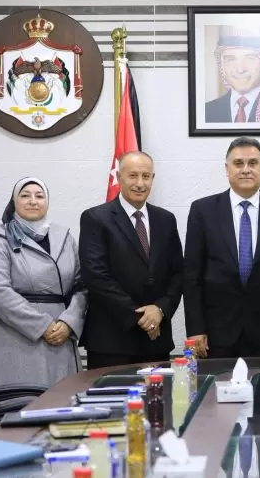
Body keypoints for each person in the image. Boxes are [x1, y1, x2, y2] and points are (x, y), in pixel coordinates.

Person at [184, 137, 260, 359]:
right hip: (216, 333)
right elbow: (191, 277)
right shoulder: (202, 211)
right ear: (227, 169)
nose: (246, 169)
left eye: (253, 163)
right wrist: (196, 328)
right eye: (238, 163)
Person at [78, 151, 184, 369]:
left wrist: (160, 309)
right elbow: (96, 276)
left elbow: (178, 273)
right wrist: (141, 317)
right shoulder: (96, 218)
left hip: (156, 340)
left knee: (159, 393)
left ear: (153, 179)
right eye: (133, 175)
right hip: (112, 341)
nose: (140, 183)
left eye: (146, 176)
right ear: (119, 177)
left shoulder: (166, 219)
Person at [0, 178, 88, 387]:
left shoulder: (65, 237)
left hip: (62, 333)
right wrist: (42, 325)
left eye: (39, 196)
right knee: (22, 401)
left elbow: (81, 286)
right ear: (14, 202)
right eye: (25, 195)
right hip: (15, 335)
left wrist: (69, 322)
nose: (33, 201)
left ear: (47, 202)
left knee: (62, 399)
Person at [204, 29, 260, 123]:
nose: (240, 69)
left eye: (250, 58)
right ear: (222, 65)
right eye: (231, 59)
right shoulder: (206, 111)